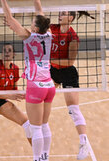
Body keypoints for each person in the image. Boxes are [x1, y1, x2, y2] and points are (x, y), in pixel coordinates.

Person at [0, 0, 55, 161]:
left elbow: (10, 19)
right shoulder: (48, 34)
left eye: (32, 22)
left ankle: (37, 158)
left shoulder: (28, 36)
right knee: (44, 125)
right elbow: (39, 8)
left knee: (36, 127)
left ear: (35, 27)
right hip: (49, 85)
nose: (31, 22)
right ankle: (45, 156)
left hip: (36, 86)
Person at [50, 10, 94, 160]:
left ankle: (84, 142)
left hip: (68, 73)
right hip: (53, 72)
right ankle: (40, 133)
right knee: (41, 101)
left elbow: (69, 62)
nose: (59, 15)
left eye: (63, 13)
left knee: (73, 110)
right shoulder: (52, 28)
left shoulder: (73, 37)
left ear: (71, 18)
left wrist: (48, 61)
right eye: (59, 13)